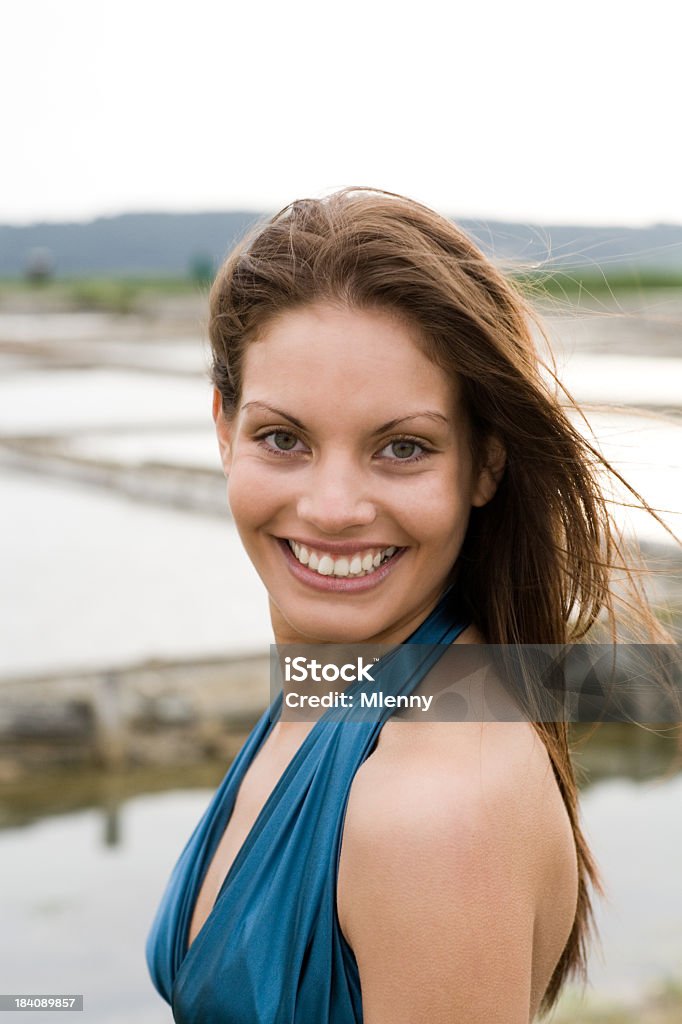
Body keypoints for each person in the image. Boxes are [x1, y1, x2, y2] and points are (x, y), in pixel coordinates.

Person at [146, 187, 670, 1023]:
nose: (334, 506)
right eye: (283, 438)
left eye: (403, 448)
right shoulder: (343, 683)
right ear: (224, 425)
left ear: (486, 463)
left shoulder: (435, 809)